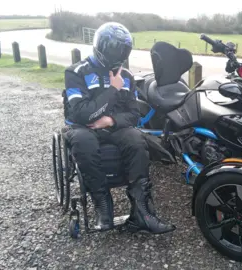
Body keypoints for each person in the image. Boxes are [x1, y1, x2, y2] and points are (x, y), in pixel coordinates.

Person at [62, 22, 175, 234]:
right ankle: (103, 207)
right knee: (84, 141)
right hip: (81, 129)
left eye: (123, 51)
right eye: (115, 51)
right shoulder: (76, 72)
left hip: (114, 127)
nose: (119, 56)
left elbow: (133, 115)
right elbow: (82, 114)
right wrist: (114, 89)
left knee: (136, 138)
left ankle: (142, 211)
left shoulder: (128, 77)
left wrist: (110, 121)